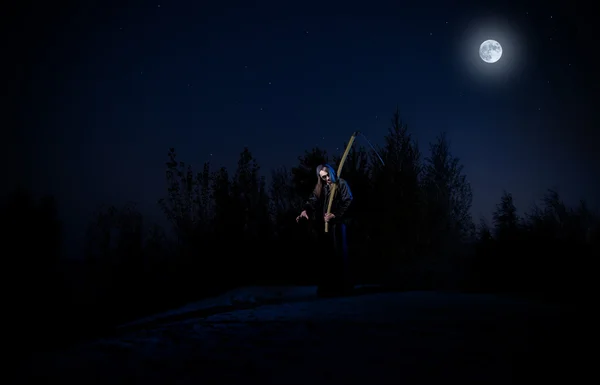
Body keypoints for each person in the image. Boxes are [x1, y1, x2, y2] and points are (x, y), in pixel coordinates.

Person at [296, 163, 353, 296]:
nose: (326, 179)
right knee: (326, 257)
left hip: (337, 226)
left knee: (339, 256)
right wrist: (306, 210)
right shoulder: (321, 187)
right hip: (325, 227)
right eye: (323, 177)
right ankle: (327, 288)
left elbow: (348, 201)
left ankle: (343, 288)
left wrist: (335, 214)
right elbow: (312, 200)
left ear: (332, 173)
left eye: (328, 175)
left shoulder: (341, 184)